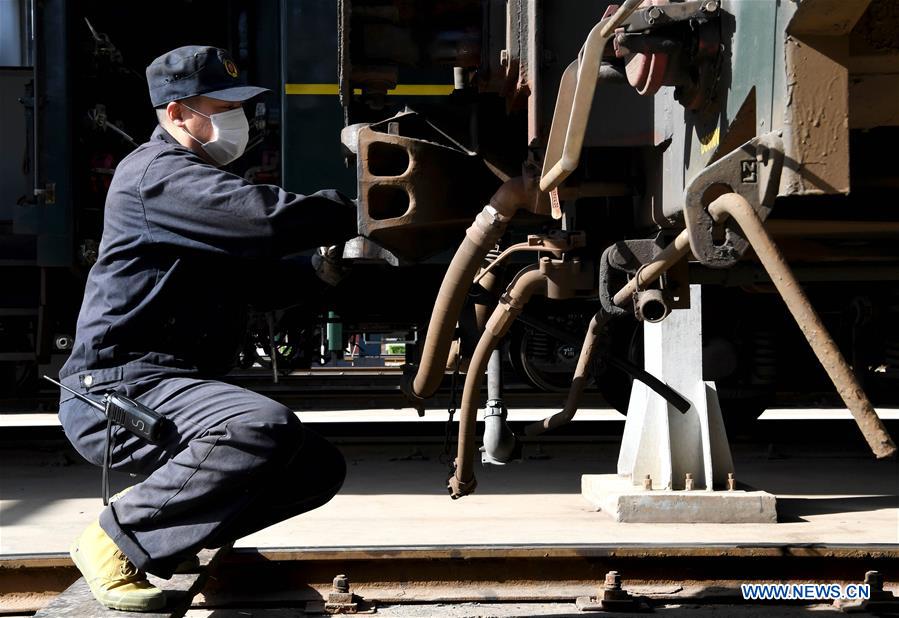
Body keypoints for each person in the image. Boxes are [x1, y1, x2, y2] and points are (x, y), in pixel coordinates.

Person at [56, 45, 354, 612]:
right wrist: (362, 206)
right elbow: (266, 220)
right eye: (222, 106)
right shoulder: (157, 177)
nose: (238, 119)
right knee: (258, 427)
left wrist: (322, 267)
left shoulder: (195, 183)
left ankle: (170, 532)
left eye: (239, 106)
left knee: (315, 466)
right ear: (175, 114)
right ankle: (117, 537)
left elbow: (258, 283)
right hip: (118, 392)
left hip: (164, 385)